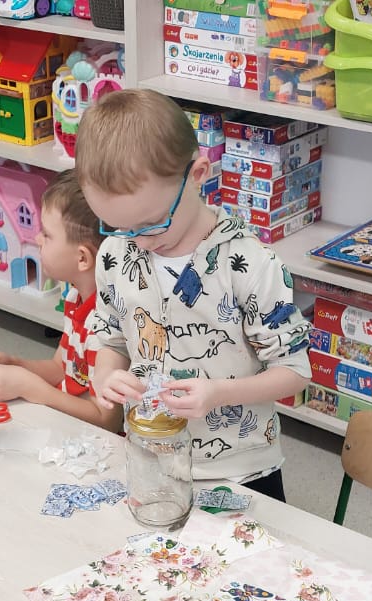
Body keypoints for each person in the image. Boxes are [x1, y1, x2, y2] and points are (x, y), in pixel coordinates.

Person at [77, 89, 312, 501]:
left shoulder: (249, 263)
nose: (139, 241)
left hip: (241, 471)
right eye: (119, 227)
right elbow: (111, 338)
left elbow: (294, 371)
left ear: (198, 174)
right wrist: (106, 375)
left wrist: (219, 394)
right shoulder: (116, 254)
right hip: (151, 457)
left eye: (152, 223)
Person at [0, 171, 122, 432]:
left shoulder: (107, 326)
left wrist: (30, 387)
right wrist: (17, 365)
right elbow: (61, 367)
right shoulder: (75, 296)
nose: (37, 239)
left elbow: (107, 421)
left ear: (82, 258)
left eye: (47, 235)